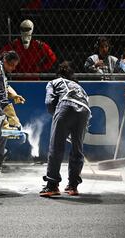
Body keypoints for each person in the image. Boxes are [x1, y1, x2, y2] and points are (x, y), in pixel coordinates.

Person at [40, 61, 91, 197]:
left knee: (56, 146)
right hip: (85, 110)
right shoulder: (78, 86)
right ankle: (73, 186)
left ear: (59, 74)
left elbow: (49, 103)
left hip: (66, 105)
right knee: (77, 148)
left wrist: (59, 119)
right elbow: (85, 104)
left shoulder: (54, 82)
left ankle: (52, 185)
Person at [0, 51, 26, 167]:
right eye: (11, 65)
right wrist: (13, 118)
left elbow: (5, 87)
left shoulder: (1, 69)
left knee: (3, 132)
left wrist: (14, 95)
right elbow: (1, 96)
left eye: (15, 66)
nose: (13, 68)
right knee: (11, 133)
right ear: (5, 61)